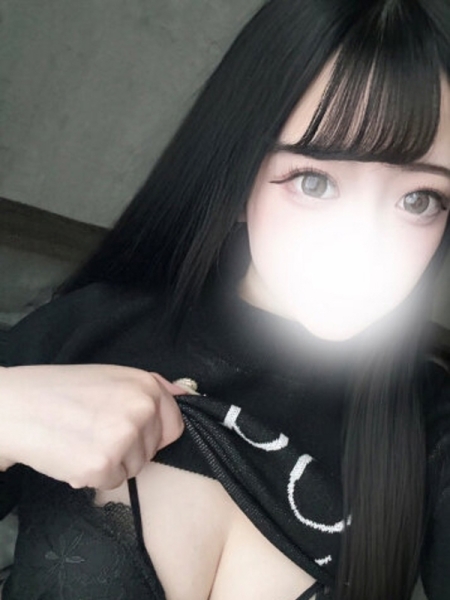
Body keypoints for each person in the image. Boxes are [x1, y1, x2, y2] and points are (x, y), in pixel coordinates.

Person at [1, 0, 450, 598]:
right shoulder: (86, 330)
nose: (368, 244)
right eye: (314, 182)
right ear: (238, 179)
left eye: (419, 200)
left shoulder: (429, 423)